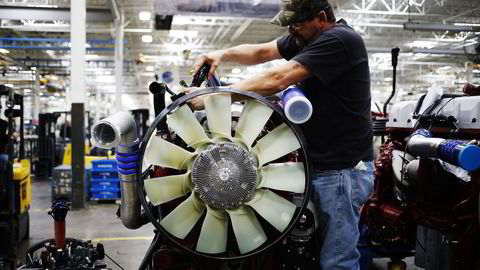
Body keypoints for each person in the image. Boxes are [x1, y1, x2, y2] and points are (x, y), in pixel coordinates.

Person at [189, 0, 374, 269]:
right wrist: (221, 54)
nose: (291, 31)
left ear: (320, 18)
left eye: (296, 24)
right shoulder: (305, 37)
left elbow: (277, 79)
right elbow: (262, 52)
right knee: (303, 249)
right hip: (318, 165)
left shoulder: (340, 40)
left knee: (337, 261)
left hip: (342, 171)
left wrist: (215, 96)